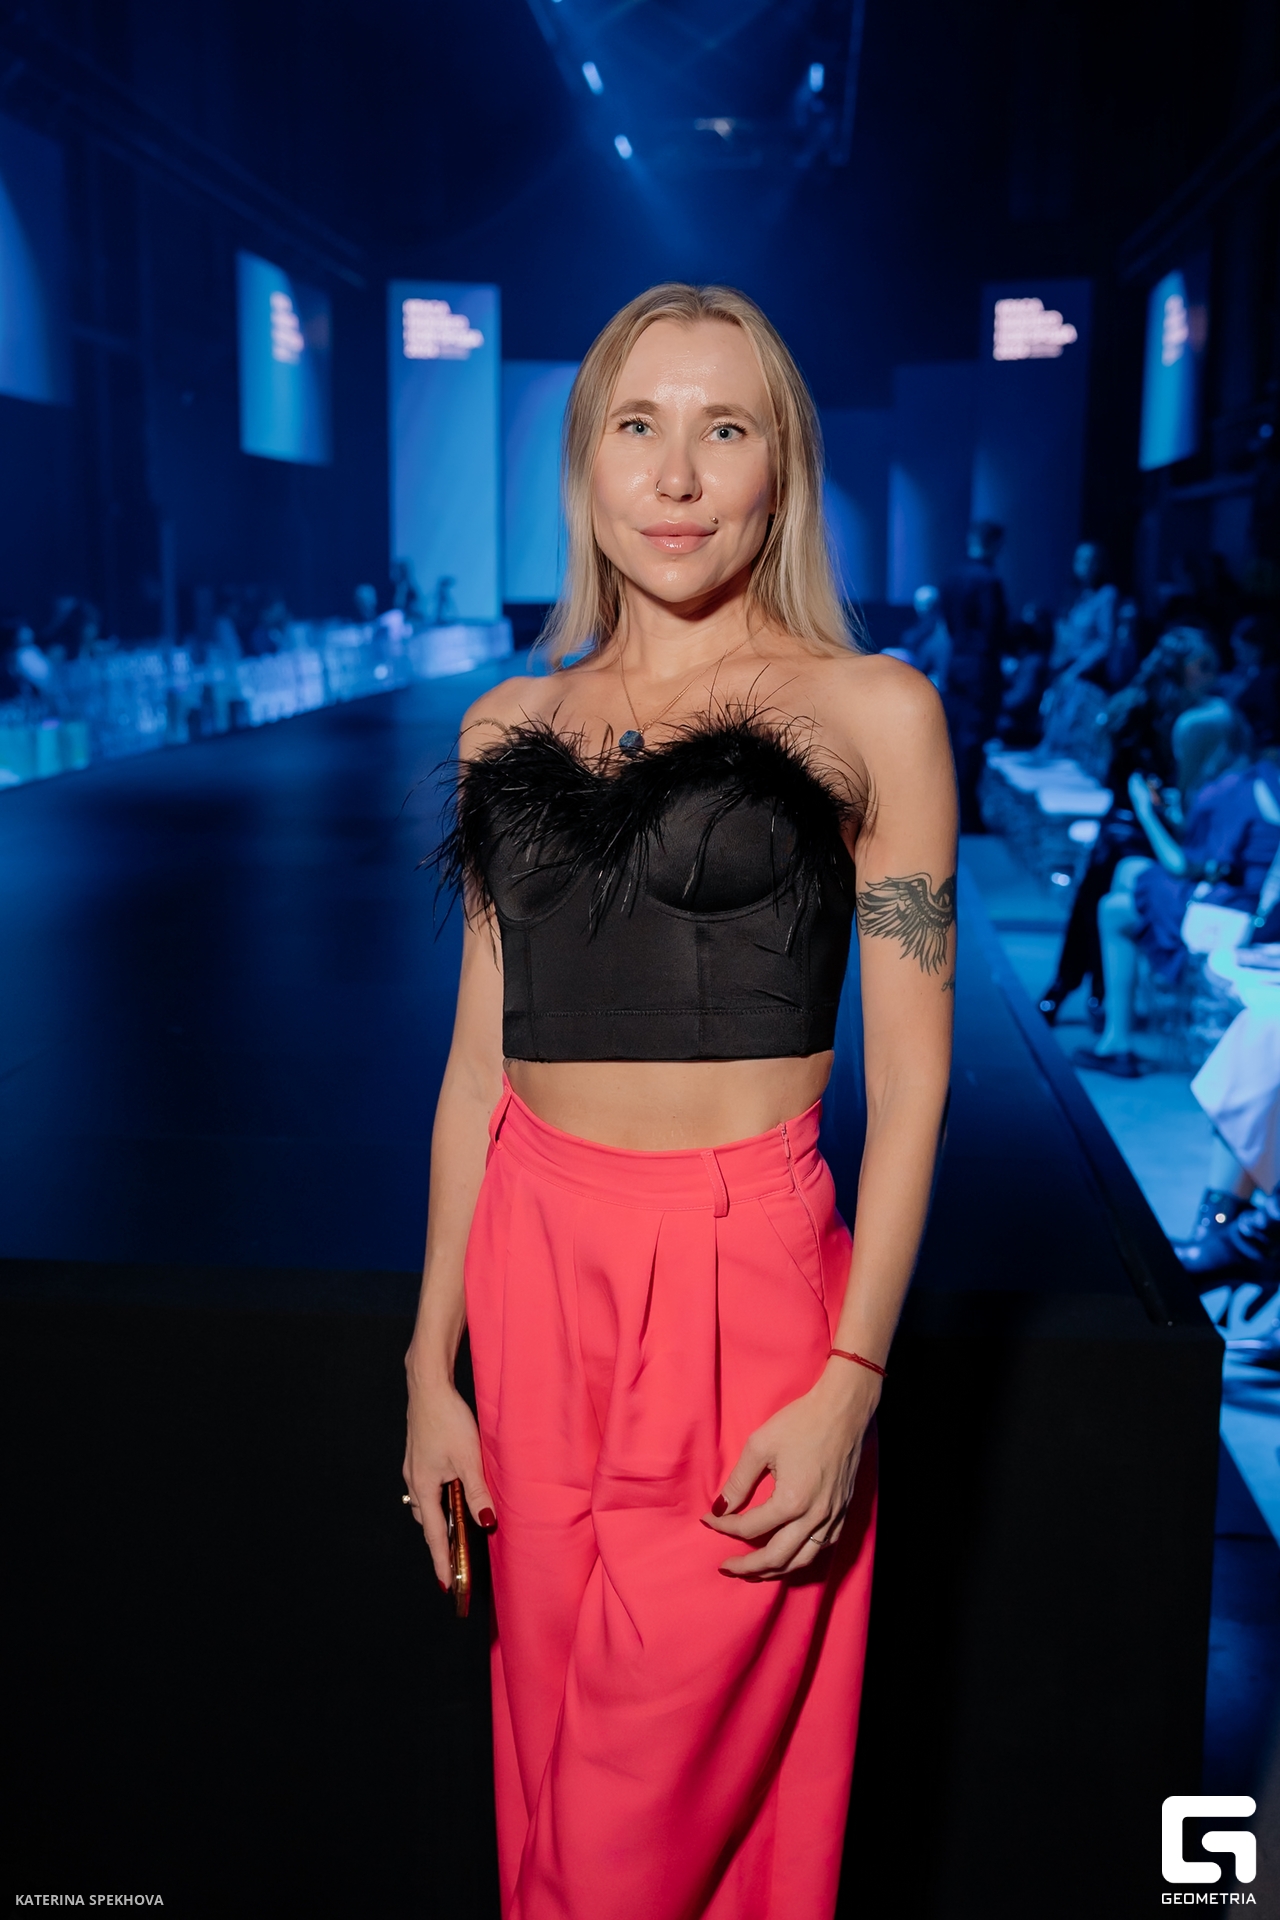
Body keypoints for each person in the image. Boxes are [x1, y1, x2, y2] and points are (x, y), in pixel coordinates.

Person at [401, 283, 957, 1920]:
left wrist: (854, 1377)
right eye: (640, 425)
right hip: (532, 1268)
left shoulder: (875, 711)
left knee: (631, 1831)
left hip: (744, 1279)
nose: (679, 473)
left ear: (783, 469)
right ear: (587, 459)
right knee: (548, 1756)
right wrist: (429, 1366)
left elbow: (916, 1080)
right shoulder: (505, 726)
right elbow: (476, 1071)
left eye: (728, 429)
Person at [1073, 719, 1280, 1077]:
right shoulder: (1266, 779)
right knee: (1131, 872)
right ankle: (1123, 1013)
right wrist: (1174, 817)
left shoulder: (1233, 789)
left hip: (1238, 914)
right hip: (1262, 910)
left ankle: (1117, 1037)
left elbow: (1185, 865)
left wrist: (1145, 812)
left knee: (1113, 909)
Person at [1038, 627, 1221, 1025]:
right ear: (1180, 666)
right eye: (1203, 666)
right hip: (1131, 817)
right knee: (1097, 889)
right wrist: (1151, 794)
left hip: (1163, 823)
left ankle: (1085, 991)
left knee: (1101, 892)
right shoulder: (1139, 706)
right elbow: (1120, 772)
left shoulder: (1200, 712)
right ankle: (1078, 988)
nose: (1211, 675)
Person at [940, 520, 1007, 830]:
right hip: (980, 668)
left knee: (956, 737)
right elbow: (993, 630)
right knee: (972, 738)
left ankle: (955, 805)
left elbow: (950, 625)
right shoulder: (989, 581)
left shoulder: (952, 577)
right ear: (994, 543)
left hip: (956, 663)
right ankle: (966, 810)